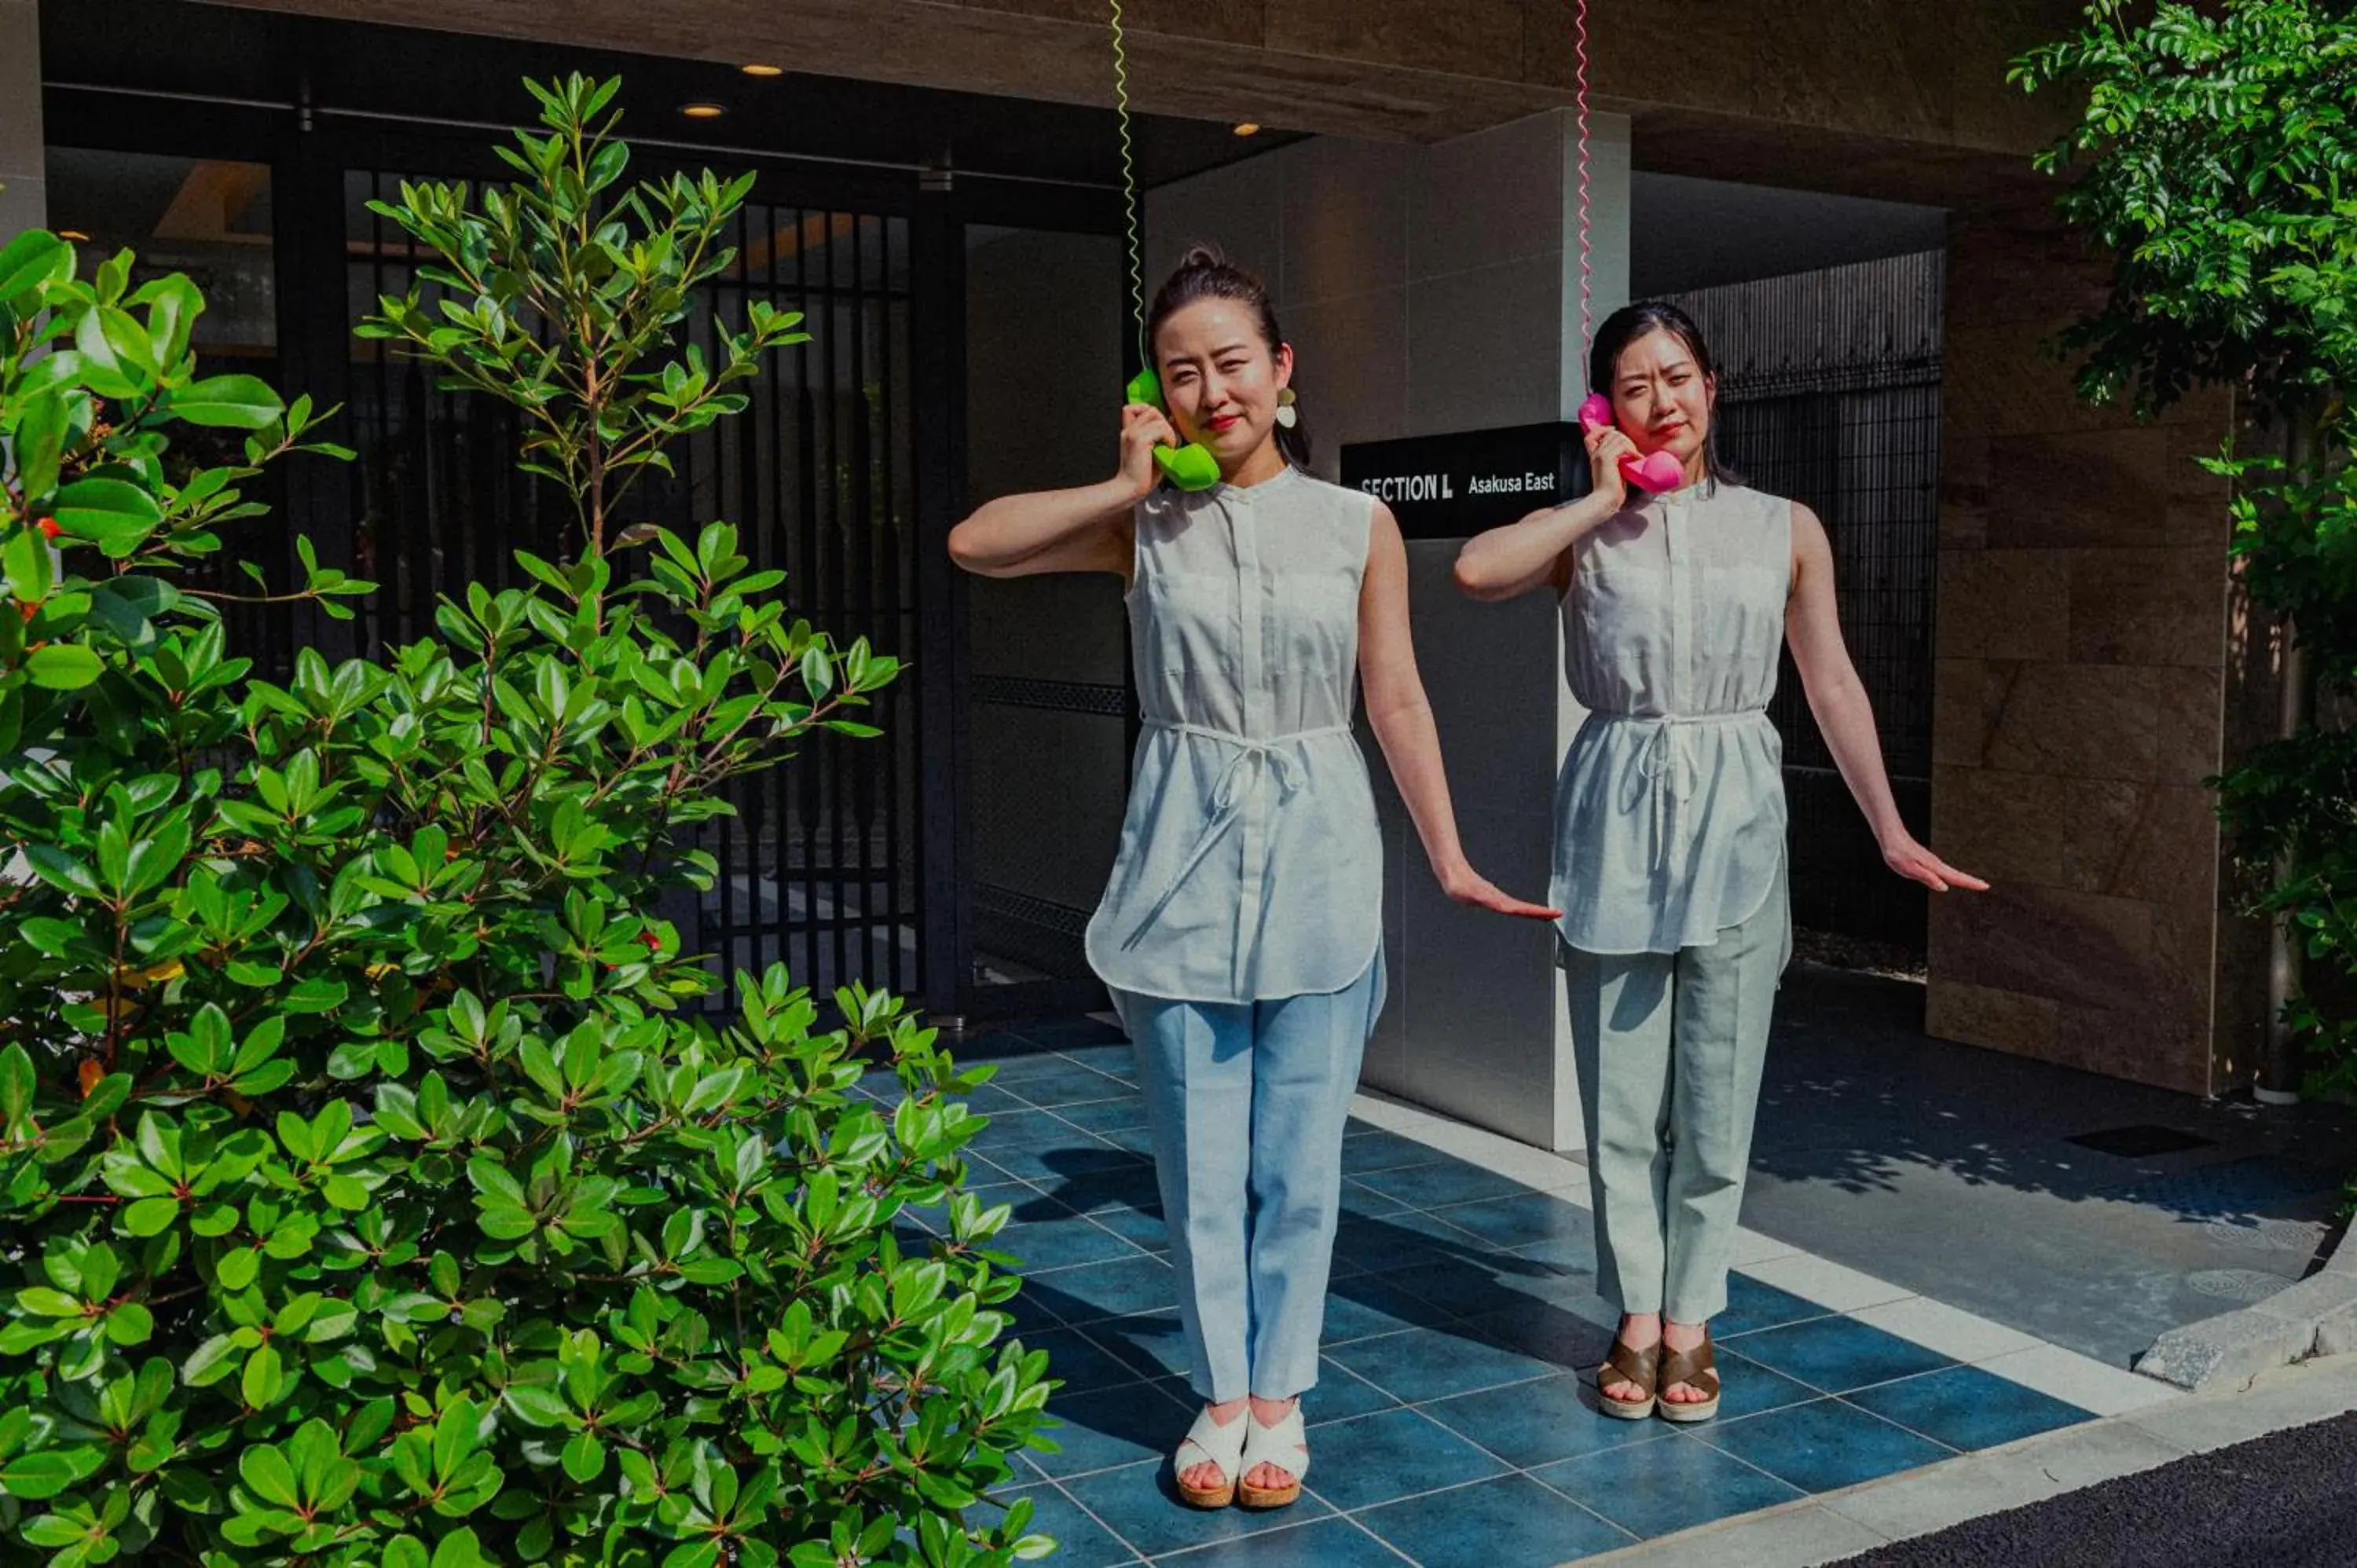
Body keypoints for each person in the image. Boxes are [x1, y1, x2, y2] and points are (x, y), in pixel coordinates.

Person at [948, 246, 1554, 1508]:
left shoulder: (1357, 524)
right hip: (1179, 856)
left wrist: (1447, 856)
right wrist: (1118, 483)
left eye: (1232, 364)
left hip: (1323, 852)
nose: (1211, 391)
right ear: (1154, 395)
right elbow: (976, 546)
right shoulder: (1143, 524)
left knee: (1299, 1158)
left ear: (1282, 372)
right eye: (1182, 374)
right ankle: (1219, 1397)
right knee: (1196, 1156)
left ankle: (1281, 1400)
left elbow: (1393, 695)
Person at [1451, 301, 1986, 1422]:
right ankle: (1635, 1312)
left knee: (1717, 1092)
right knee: (1619, 1098)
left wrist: (1887, 827)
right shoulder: (1585, 531)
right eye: (1636, 383)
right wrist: (1598, 496)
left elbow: (1831, 680)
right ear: (1605, 404)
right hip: (1612, 823)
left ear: (1713, 385)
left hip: (1739, 825)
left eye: (1679, 375)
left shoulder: (1783, 525)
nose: (1664, 401)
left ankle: (1692, 1316)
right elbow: (1475, 573)